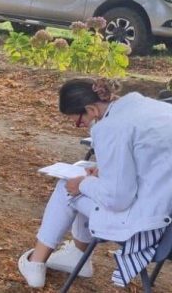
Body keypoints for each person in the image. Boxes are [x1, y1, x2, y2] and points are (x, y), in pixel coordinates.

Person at [18, 77, 172, 288]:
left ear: (91, 109)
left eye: (78, 120)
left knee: (68, 185)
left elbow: (117, 198)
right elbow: (150, 160)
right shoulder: (146, 107)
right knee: (86, 181)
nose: (78, 125)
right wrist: (102, 172)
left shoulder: (111, 127)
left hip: (152, 224)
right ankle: (76, 255)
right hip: (164, 207)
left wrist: (82, 184)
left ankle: (36, 263)